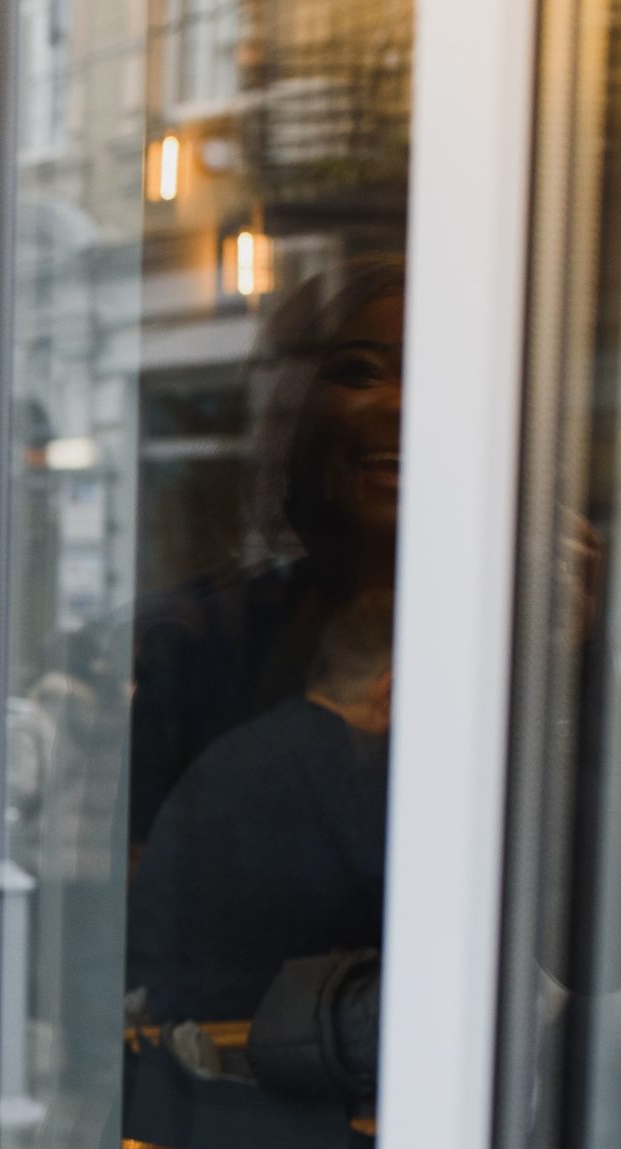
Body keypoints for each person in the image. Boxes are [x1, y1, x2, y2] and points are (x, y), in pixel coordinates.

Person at [129, 256, 404, 845]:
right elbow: (147, 891)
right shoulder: (197, 643)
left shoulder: (536, 642)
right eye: (359, 372)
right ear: (296, 413)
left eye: (439, 372)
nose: (399, 405)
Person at [127, 587, 392, 1026]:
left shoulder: (250, 753)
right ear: (390, 691)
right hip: (246, 1051)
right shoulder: (349, 774)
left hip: (182, 1033)